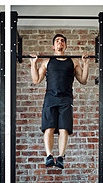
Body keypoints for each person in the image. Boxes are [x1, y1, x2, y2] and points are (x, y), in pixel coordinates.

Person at [30, 34, 90, 169]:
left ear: (65, 46)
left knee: (64, 129)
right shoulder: (47, 61)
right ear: (53, 46)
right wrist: (33, 64)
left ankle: (61, 157)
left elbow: (83, 80)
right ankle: (49, 156)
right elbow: (36, 80)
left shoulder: (73, 62)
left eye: (62, 41)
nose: (60, 43)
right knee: (49, 128)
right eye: (57, 41)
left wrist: (86, 64)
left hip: (66, 99)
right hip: (50, 98)